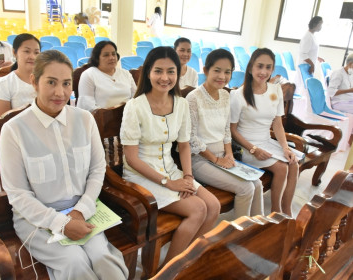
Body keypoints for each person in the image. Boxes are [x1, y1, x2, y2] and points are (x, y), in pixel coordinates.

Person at [0, 50, 128, 280]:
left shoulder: (84, 119)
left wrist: (80, 210)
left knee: (103, 259)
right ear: (34, 82)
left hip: (83, 210)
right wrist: (60, 222)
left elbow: (97, 170)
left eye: (67, 84)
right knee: (74, 263)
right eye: (51, 82)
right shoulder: (14, 130)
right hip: (37, 218)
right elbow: (17, 194)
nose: (60, 93)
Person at [120, 46, 220, 266]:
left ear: (178, 73)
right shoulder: (135, 107)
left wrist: (187, 176)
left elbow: (184, 145)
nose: (164, 77)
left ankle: (183, 261)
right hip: (141, 176)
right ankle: (168, 271)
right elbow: (132, 159)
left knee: (214, 206)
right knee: (198, 209)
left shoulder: (181, 104)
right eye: (158, 71)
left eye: (171, 71)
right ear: (148, 72)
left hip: (172, 171)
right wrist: (169, 183)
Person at [187, 49, 264, 219]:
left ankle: (259, 226)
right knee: (246, 188)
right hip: (201, 160)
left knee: (257, 183)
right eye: (217, 70)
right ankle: (240, 234)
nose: (222, 76)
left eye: (227, 72)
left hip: (223, 156)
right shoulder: (193, 98)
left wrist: (229, 155)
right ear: (206, 71)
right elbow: (191, 139)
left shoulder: (224, 95)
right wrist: (216, 160)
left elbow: (226, 131)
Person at [230, 48, 299, 217]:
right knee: (282, 168)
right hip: (247, 146)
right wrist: (253, 149)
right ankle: (275, 213)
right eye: (259, 66)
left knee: (294, 164)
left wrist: (285, 148)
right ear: (250, 67)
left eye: (268, 67)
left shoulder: (275, 91)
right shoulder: (238, 95)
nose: (263, 72)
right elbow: (232, 130)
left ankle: (287, 210)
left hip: (267, 141)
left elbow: (277, 123)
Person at [77, 40, 136, 111]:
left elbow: (136, 97)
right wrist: (109, 115)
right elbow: (87, 105)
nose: (112, 58)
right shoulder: (89, 75)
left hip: (128, 116)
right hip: (100, 119)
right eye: (106, 55)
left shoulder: (126, 74)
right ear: (97, 58)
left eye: (114, 54)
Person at [0, 33, 40, 117]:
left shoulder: (45, 80)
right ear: (14, 52)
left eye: (36, 52)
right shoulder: (3, 84)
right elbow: (3, 123)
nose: (32, 57)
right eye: (27, 51)